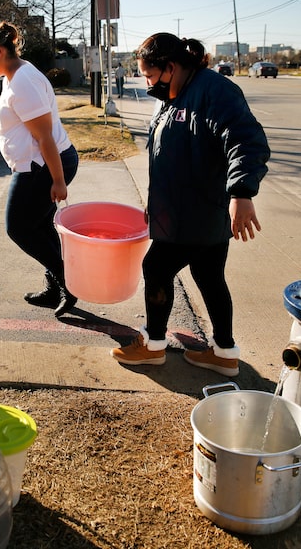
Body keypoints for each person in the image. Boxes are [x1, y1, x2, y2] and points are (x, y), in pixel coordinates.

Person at [110, 33, 270, 377]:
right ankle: (224, 352)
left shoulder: (214, 90)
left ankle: (153, 346)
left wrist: (242, 193)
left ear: (171, 67)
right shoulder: (173, 93)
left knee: (156, 268)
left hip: (196, 210)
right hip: (185, 209)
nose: (147, 83)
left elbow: (246, 140)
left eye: (150, 76)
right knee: (210, 276)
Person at [0, 21, 79, 317]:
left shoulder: (22, 81)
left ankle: (68, 283)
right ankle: (55, 286)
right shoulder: (14, 74)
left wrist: (58, 180)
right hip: (38, 164)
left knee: (18, 227)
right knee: (39, 226)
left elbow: (44, 137)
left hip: (43, 166)